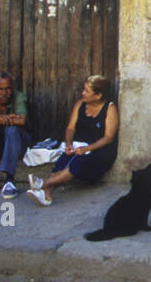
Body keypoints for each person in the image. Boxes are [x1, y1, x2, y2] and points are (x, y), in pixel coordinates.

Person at [27, 74, 118, 206]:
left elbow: (109, 138)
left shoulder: (110, 108)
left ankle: (43, 184)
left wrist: (87, 149)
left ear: (98, 95)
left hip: (100, 151)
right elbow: (70, 128)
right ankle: (47, 195)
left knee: (77, 162)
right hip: (79, 146)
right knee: (65, 158)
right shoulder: (80, 104)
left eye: (87, 91)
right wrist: (68, 143)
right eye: (83, 89)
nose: (83, 93)